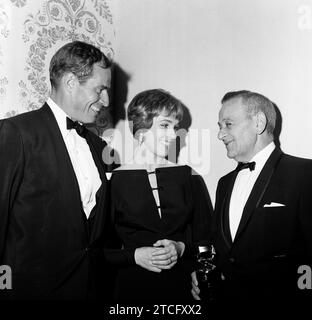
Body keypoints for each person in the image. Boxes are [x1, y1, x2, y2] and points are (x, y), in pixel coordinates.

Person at [0, 41, 113, 300]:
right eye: (100, 89)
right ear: (71, 82)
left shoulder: (98, 146)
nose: (105, 100)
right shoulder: (16, 133)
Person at [191, 90, 312, 304]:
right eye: (220, 127)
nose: (220, 134)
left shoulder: (304, 174)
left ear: (258, 123)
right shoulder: (224, 184)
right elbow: (222, 250)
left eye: (228, 124)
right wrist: (206, 272)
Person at [107, 89, 213, 302]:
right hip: (132, 291)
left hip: (184, 291)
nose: (174, 135)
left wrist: (182, 248)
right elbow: (99, 252)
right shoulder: (112, 182)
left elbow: (209, 245)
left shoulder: (190, 177)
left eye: (175, 127)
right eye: (164, 125)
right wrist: (135, 256)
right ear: (141, 130)